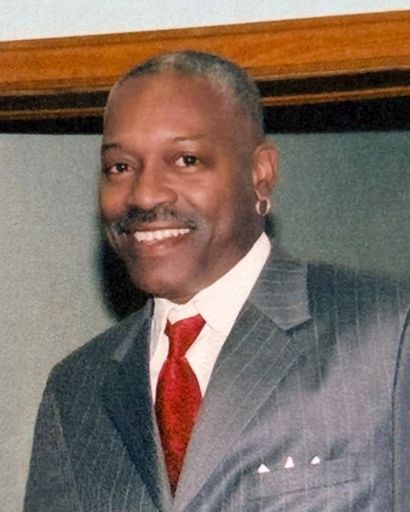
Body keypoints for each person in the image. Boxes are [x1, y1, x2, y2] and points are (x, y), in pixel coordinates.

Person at [24, 51, 410, 512]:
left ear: (260, 175)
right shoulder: (76, 389)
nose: (144, 194)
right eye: (120, 167)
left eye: (186, 159)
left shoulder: (387, 333)